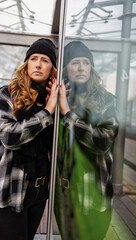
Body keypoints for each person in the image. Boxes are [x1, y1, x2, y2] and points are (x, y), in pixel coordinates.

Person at [0, 38, 59, 240]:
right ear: (26, 63)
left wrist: (60, 105)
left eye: (45, 60)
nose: (37, 64)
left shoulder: (54, 99)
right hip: (8, 194)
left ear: (52, 67)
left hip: (38, 191)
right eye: (33, 58)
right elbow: (10, 137)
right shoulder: (8, 95)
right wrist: (47, 112)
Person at [55, 41, 119, 240]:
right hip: (65, 194)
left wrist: (67, 114)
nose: (82, 67)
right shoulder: (56, 99)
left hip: (93, 193)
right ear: (65, 68)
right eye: (75, 62)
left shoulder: (107, 100)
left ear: (92, 67)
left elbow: (102, 141)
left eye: (86, 62)